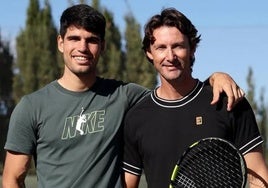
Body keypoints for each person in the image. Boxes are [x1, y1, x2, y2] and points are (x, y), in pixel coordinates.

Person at [2, 4, 244, 188]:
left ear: (103, 46)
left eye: (92, 40)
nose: (83, 48)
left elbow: (174, 96)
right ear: (60, 43)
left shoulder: (126, 96)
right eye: (74, 39)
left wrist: (215, 77)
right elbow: (12, 177)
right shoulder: (31, 107)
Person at [122, 8, 268, 188]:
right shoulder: (136, 118)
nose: (170, 56)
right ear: (149, 53)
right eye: (161, 47)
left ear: (192, 49)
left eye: (178, 46)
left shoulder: (228, 101)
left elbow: (260, 177)